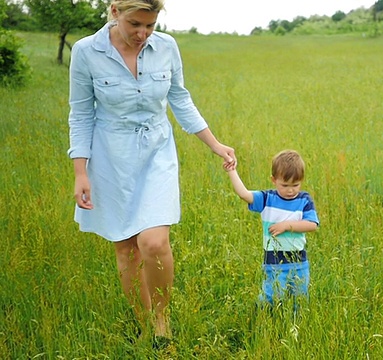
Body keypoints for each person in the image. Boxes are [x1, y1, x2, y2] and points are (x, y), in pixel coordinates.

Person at [67, 0, 235, 345]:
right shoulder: (86, 52)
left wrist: (215, 144)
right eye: (135, 25)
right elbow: (81, 114)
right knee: (126, 247)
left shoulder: (167, 47)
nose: (142, 34)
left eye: (150, 25)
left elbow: (180, 99)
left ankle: (161, 322)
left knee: (154, 242)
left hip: (157, 151)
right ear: (115, 12)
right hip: (110, 156)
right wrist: (80, 172)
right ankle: (143, 325)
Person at [224, 150, 319, 309]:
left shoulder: (304, 200)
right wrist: (232, 171)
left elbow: (312, 224)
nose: (290, 190)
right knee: (270, 296)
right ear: (273, 180)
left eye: (295, 185)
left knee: (299, 300)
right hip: (274, 262)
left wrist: (287, 226)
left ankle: (293, 326)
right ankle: (259, 318)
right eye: (285, 185)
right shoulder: (267, 199)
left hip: (299, 262)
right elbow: (244, 194)